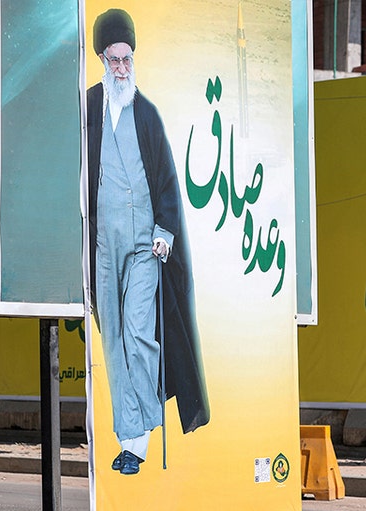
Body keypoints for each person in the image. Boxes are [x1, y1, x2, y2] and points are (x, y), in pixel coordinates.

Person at [86, 8, 209, 475]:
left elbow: (167, 182)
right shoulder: (89, 109)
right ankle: (130, 440)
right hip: (102, 244)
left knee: (139, 332)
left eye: (127, 59)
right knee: (114, 342)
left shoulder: (146, 112)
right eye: (114, 59)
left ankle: (143, 427)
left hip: (142, 245)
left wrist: (164, 232)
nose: (121, 68)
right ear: (102, 58)